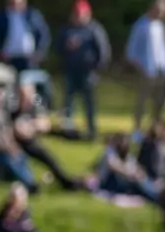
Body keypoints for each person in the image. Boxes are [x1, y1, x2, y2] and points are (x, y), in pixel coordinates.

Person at [57, 0, 109, 140]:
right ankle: (68, 131)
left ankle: (91, 131)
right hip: (70, 71)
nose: (78, 17)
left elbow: (103, 51)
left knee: (89, 104)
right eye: (76, 14)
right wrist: (66, 47)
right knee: (69, 103)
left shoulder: (94, 30)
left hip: (88, 72)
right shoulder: (67, 30)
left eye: (81, 14)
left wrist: (98, 68)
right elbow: (58, 49)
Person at [125, 0, 165, 132]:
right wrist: (140, 67)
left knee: (159, 102)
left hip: (161, 70)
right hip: (146, 71)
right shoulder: (141, 25)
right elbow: (131, 50)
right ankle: (137, 129)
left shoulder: (160, 26)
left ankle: (155, 129)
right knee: (142, 101)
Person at [0, 0, 49, 73]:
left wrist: (40, 52)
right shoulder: (1, 17)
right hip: (7, 59)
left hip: (29, 59)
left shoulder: (33, 15)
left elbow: (43, 35)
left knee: (27, 81)